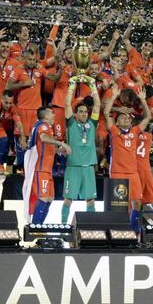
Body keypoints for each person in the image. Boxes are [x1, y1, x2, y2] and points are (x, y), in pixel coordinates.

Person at [104, 86, 151, 236]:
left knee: (137, 202)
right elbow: (106, 112)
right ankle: (118, 231)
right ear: (117, 123)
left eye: (127, 117)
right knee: (119, 205)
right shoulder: (114, 131)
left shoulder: (135, 131)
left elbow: (148, 117)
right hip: (118, 172)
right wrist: (113, 97)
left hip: (133, 172)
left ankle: (133, 228)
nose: (125, 118)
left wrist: (143, 100)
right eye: (122, 117)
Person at [60, 77, 100, 224]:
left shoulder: (92, 124)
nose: (84, 114)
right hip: (73, 167)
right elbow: (66, 104)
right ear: (76, 114)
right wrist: (72, 86)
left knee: (91, 200)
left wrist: (93, 86)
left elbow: (97, 105)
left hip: (88, 168)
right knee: (68, 199)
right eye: (81, 112)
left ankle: (91, 226)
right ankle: (64, 225)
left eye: (85, 112)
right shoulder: (71, 123)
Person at [23, 106, 71, 224]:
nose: (54, 115)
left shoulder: (47, 128)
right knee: (43, 198)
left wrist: (59, 151)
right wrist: (62, 144)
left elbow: (46, 147)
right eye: (51, 113)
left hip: (47, 170)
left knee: (49, 199)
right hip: (40, 169)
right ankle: (35, 228)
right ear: (45, 116)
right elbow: (44, 139)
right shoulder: (42, 125)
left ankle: (40, 227)